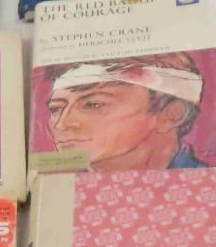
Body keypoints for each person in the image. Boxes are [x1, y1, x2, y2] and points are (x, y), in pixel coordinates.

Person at [44, 50, 206, 171]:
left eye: (93, 104)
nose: (61, 124)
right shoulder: (55, 189)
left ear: (170, 115)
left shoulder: (206, 182)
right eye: (55, 109)